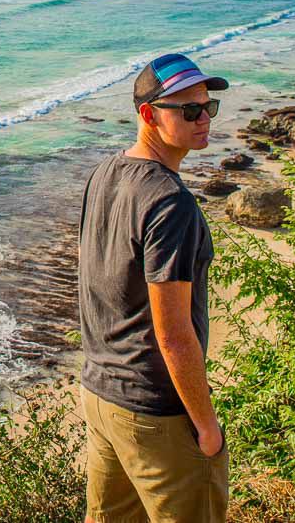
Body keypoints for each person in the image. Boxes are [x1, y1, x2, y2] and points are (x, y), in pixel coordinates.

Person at [78, 52, 229, 523]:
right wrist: (206, 427)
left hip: (101, 397)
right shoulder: (170, 203)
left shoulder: (105, 173)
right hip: (154, 413)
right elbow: (174, 332)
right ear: (149, 115)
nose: (203, 119)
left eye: (208, 107)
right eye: (188, 110)